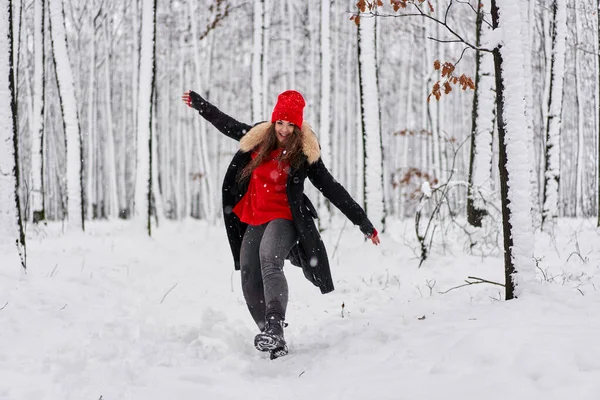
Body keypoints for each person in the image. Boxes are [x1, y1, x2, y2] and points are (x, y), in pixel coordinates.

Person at [182, 89, 380, 359]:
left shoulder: (304, 153)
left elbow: (332, 189)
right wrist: (200, 104)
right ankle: (273, 337)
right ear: (273, 121)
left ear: (298, 126)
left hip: (286, 217)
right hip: (255, 216)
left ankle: (275, 325)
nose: (284, 130)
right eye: (280, 123)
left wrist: (363, 223)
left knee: (269, 258)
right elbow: (225, 123)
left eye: (291, 125)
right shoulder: (258, 139)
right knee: (249, 274)